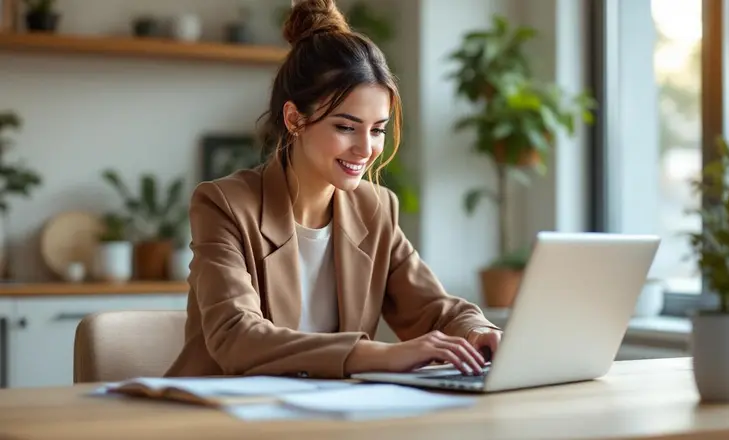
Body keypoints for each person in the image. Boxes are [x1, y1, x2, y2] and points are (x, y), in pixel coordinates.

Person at [165, 0, 502, 380]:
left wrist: (480, 331)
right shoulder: (225, 204)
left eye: (377, 129)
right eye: (345, 127)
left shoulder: (375, 209)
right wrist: (377, 355)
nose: (366, 148)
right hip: (222, 421)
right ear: (295, 119)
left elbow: (433, 310)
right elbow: (237, 338)